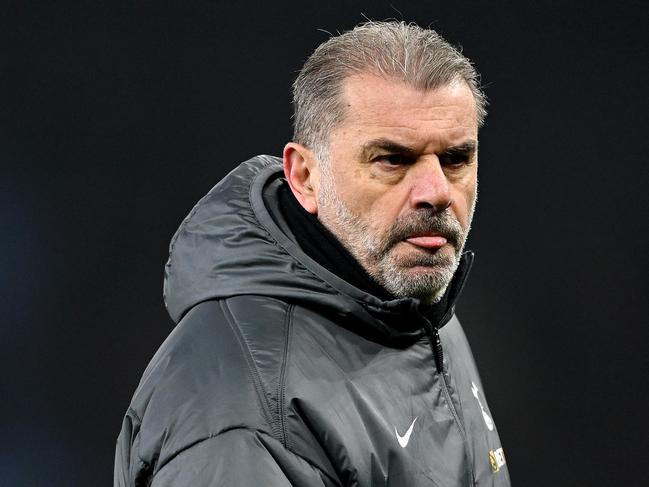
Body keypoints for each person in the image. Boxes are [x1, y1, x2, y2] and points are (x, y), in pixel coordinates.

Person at [115, 21, 511, 486]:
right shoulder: (240, 413)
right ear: (304, 176)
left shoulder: (417, 308)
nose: (437, 192)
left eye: (456, 159)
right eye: (392, 160)